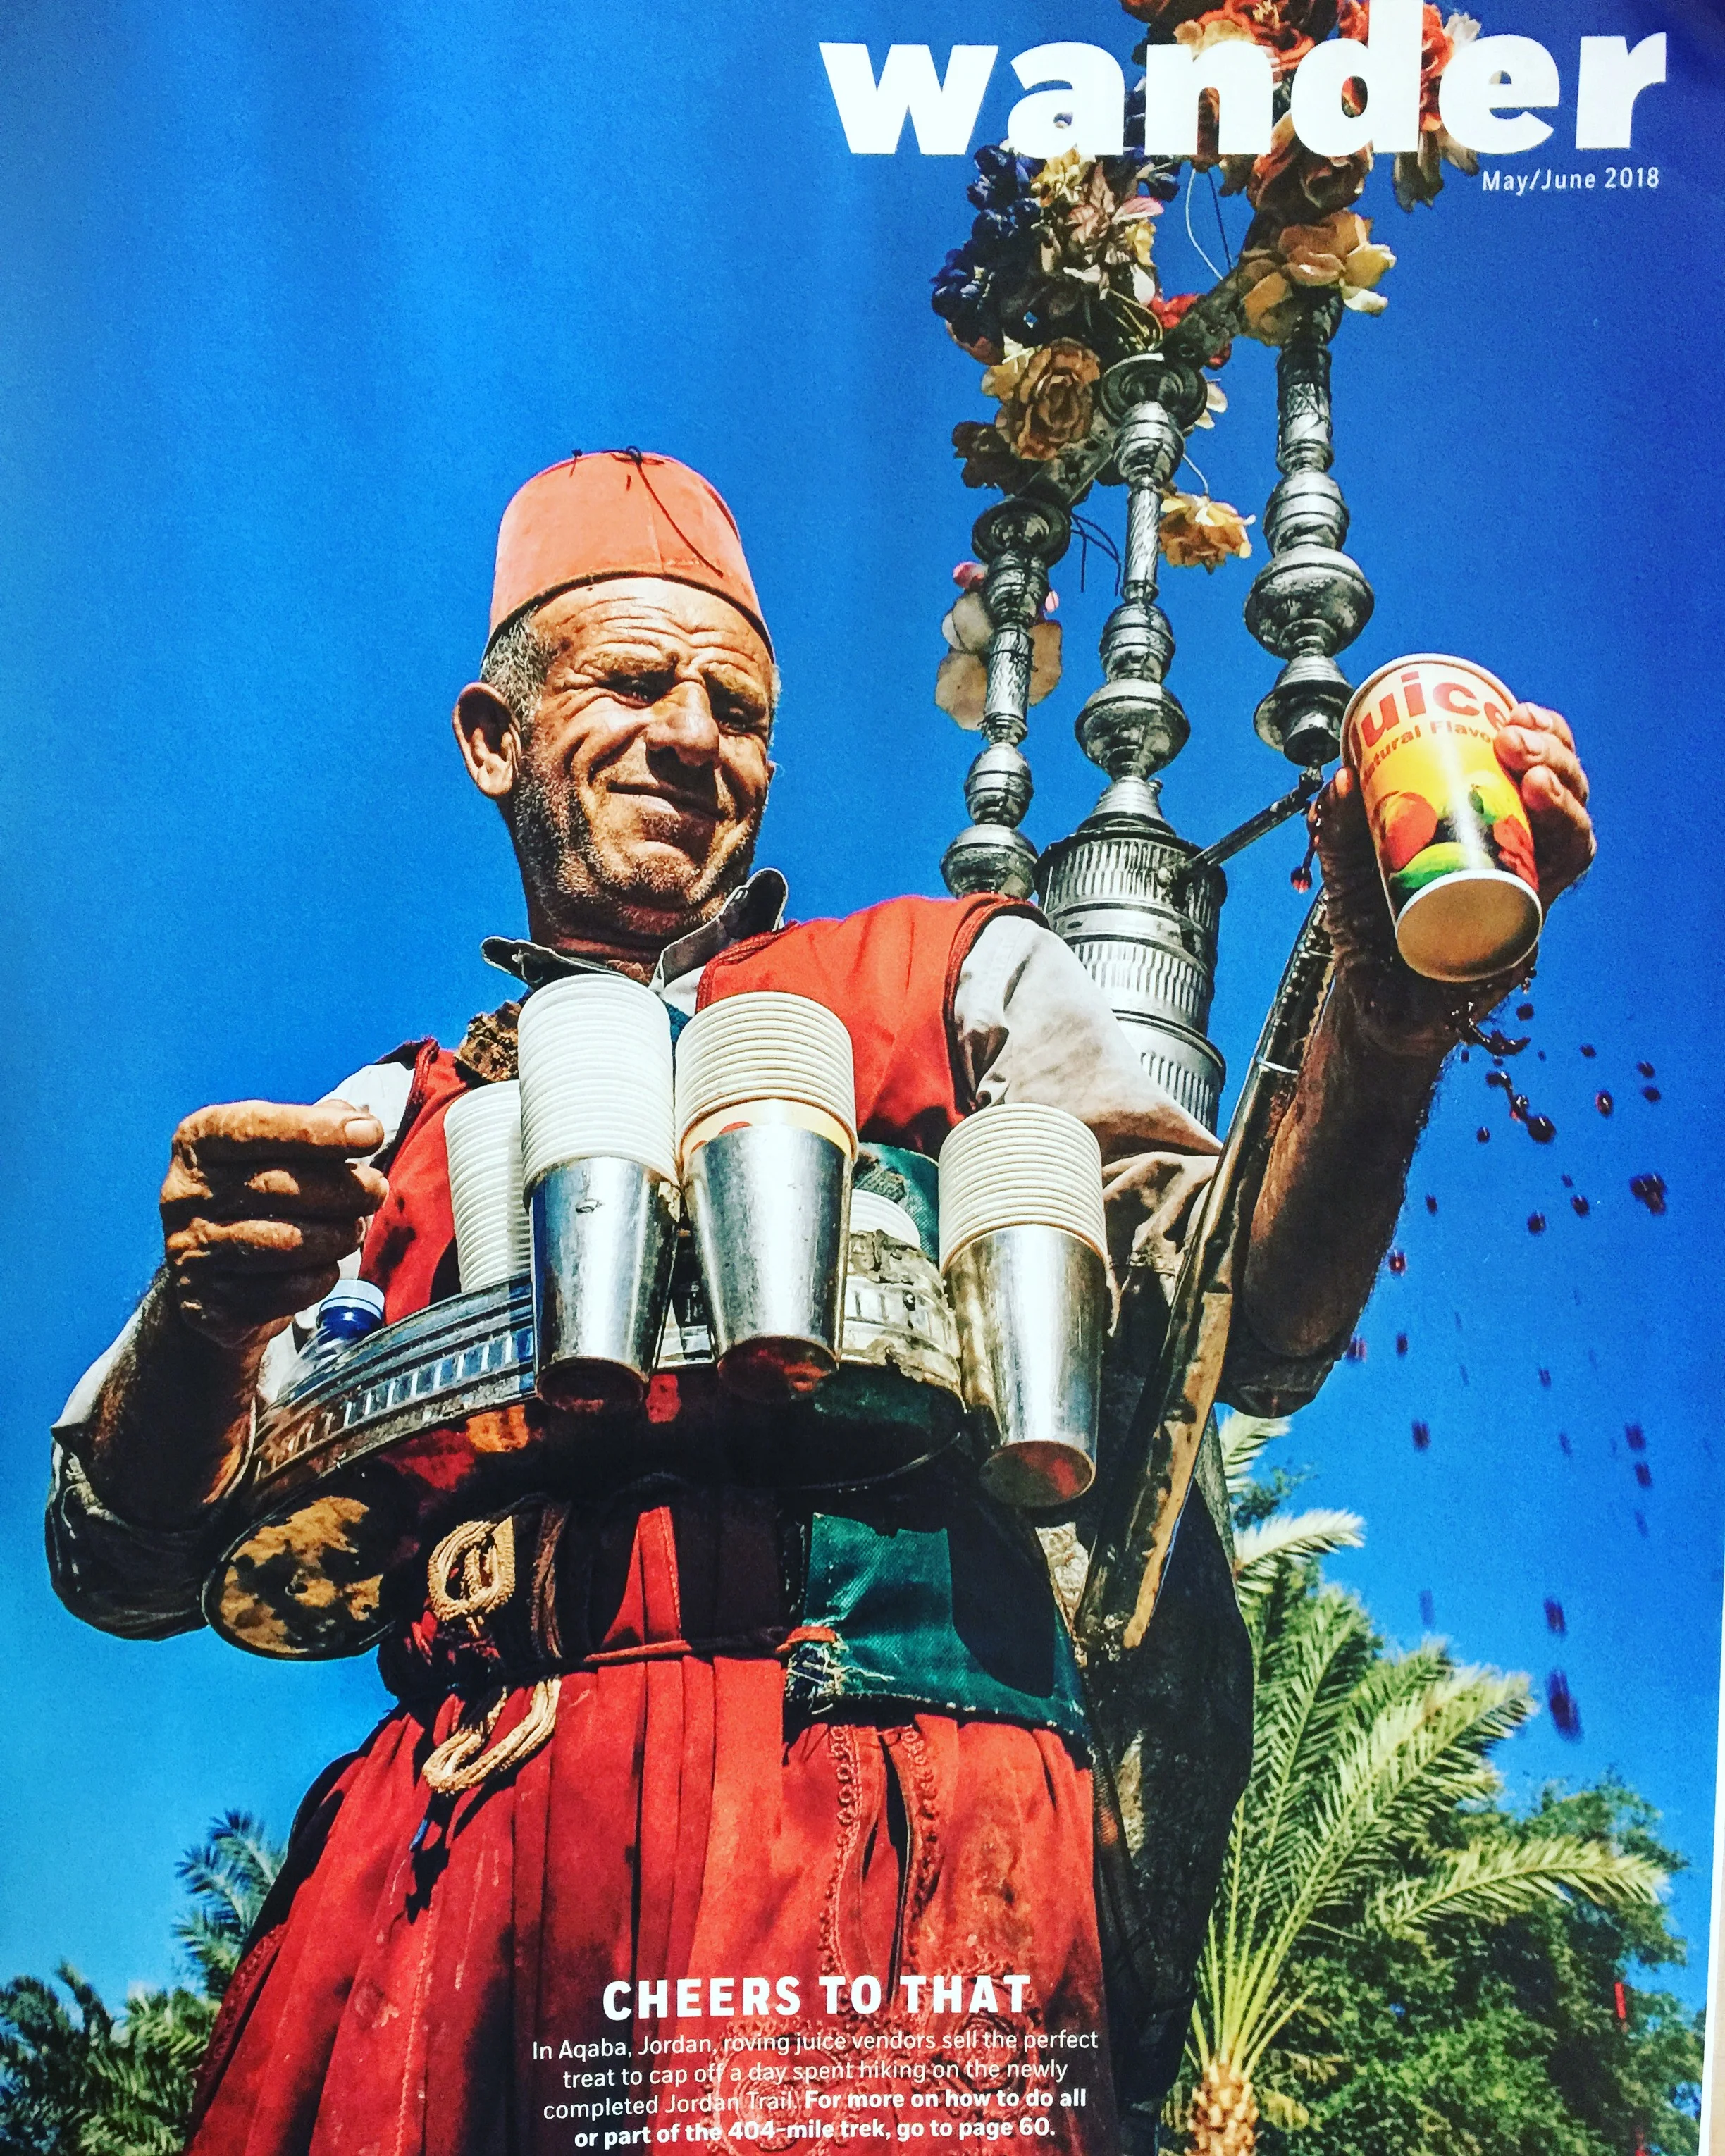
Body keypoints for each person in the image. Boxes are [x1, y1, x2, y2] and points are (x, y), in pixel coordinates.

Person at [47, 452, 1596, 2156]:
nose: (694, 736)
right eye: (633, 684)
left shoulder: (956, 981)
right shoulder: (379, 1131)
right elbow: (117, 1561)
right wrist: (202, 1327)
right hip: (442, 1898)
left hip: (893, 1845)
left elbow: (1248, 1331)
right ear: (493, 736)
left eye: (738, 706)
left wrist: (1381, 1017)